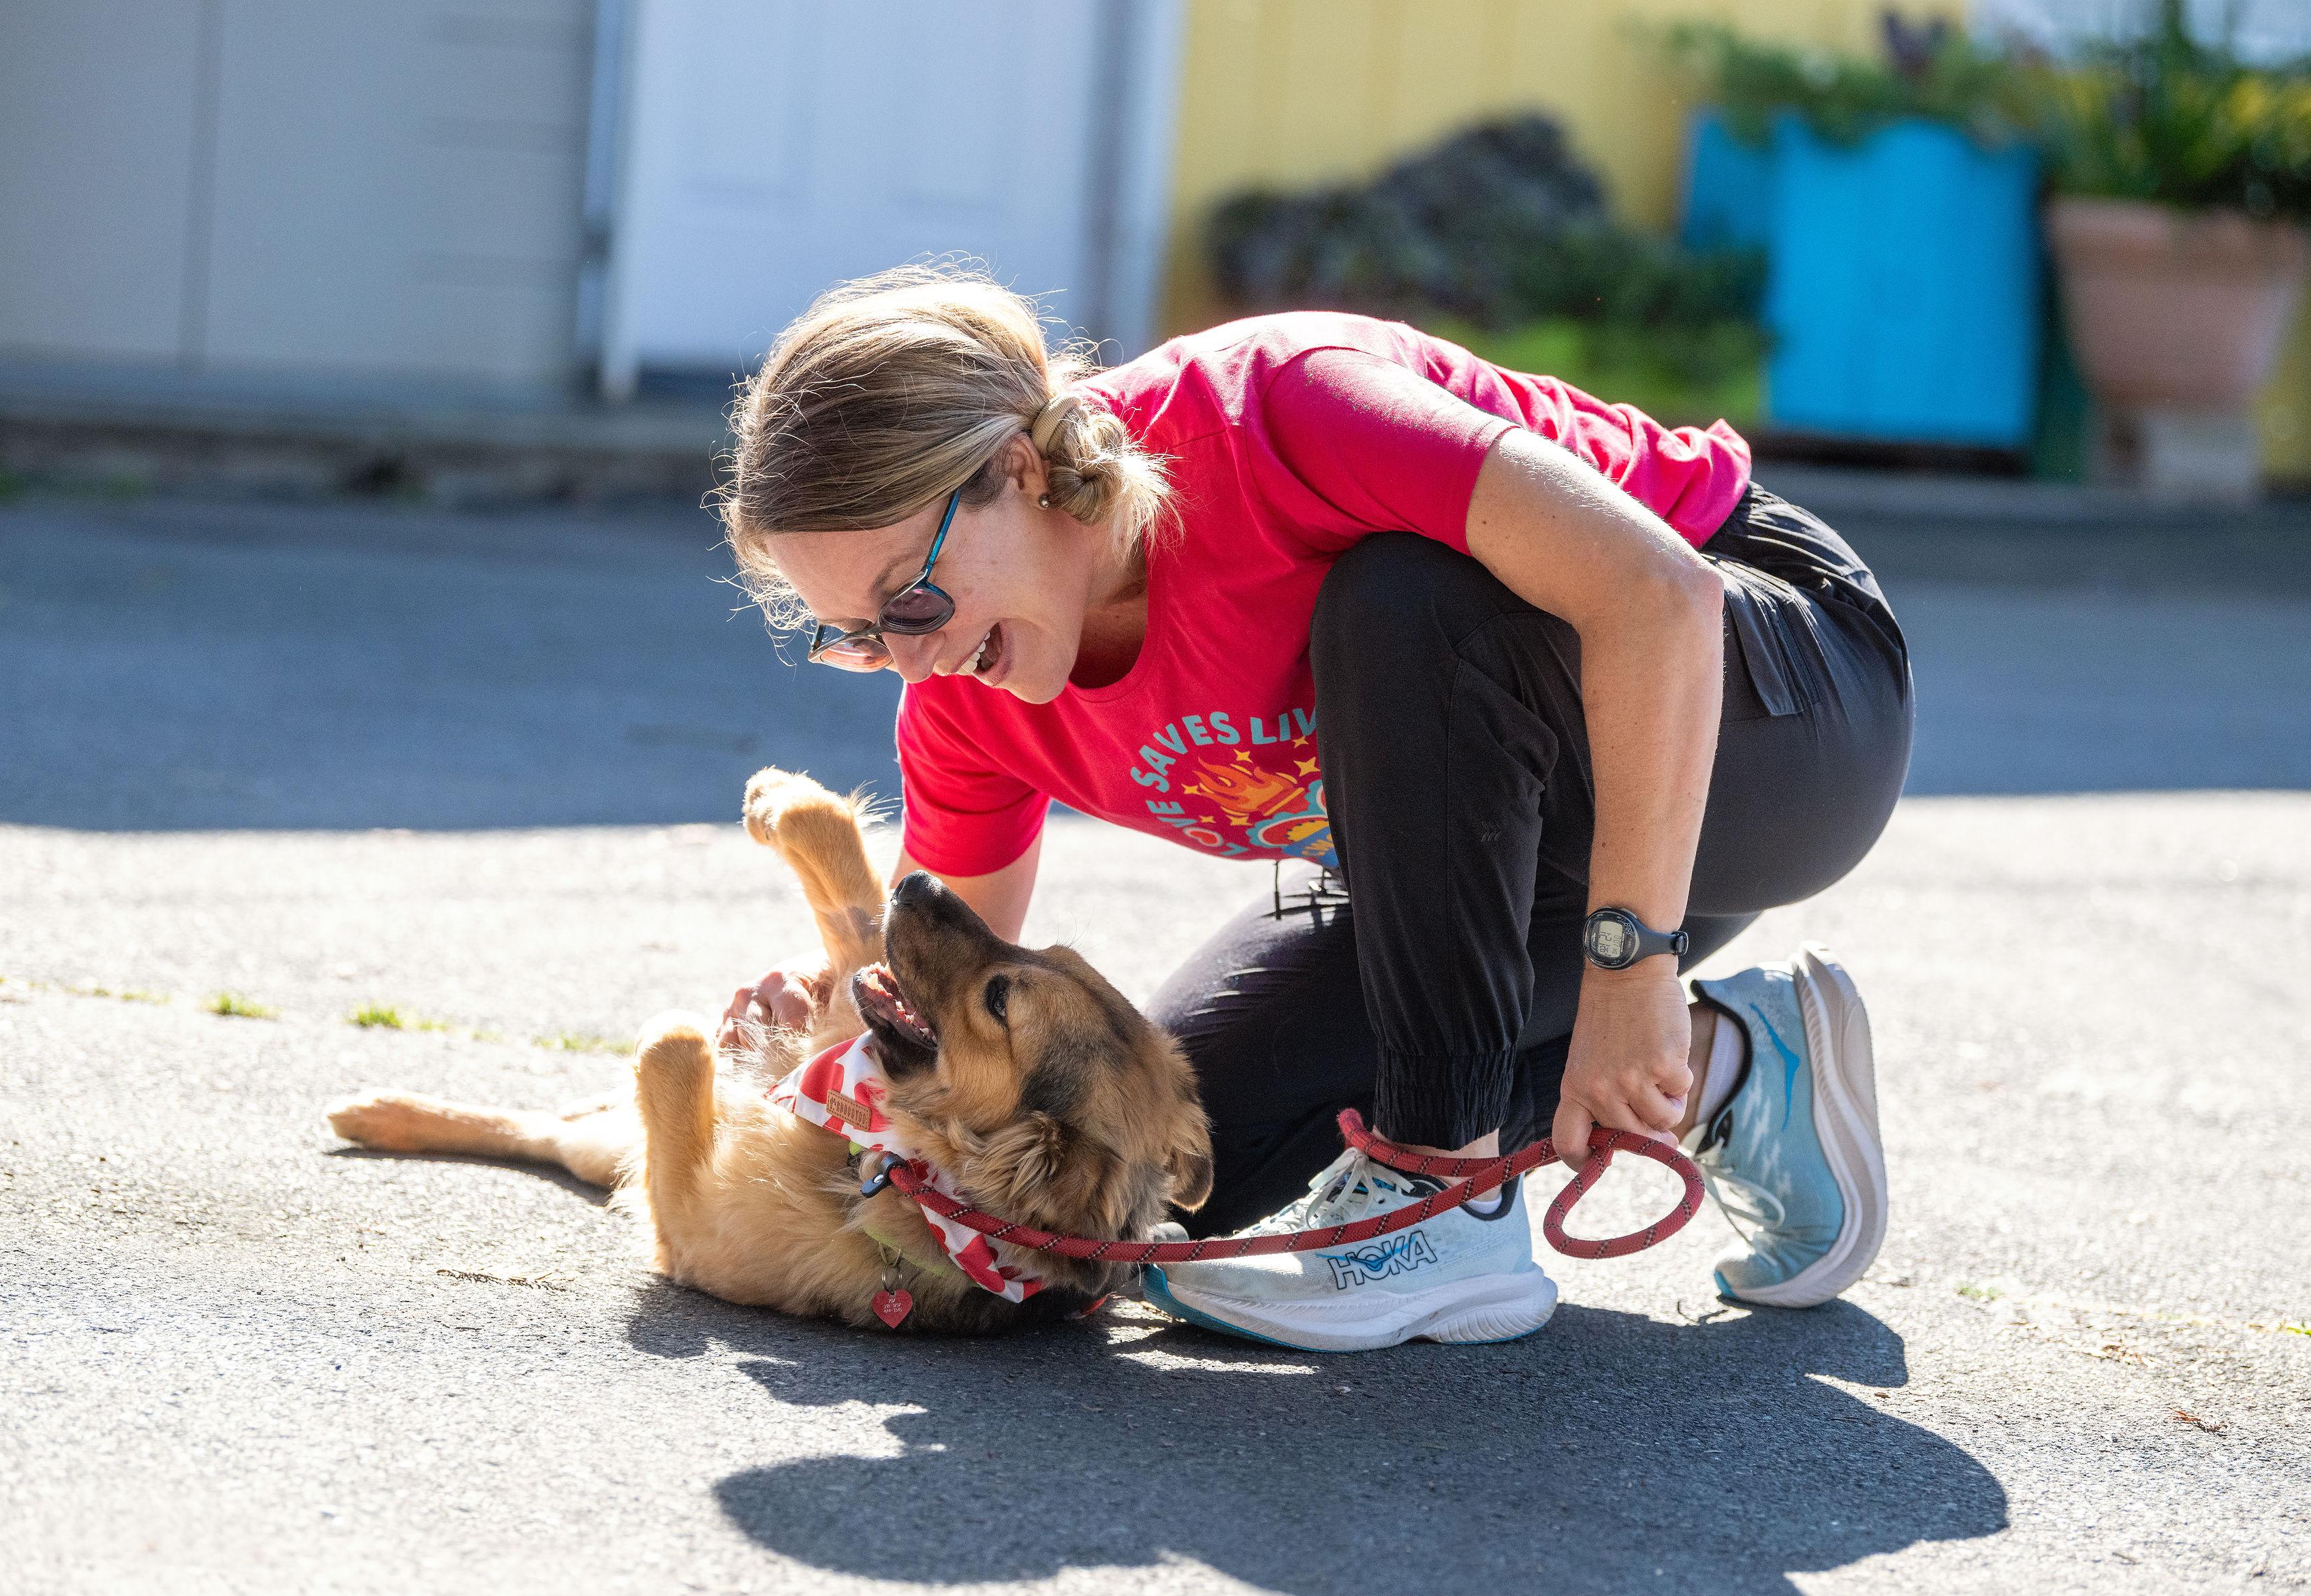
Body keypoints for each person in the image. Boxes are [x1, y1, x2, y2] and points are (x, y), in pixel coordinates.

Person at [716, 267, 1911, 1352]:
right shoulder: (967, 700)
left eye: (910, 603)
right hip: (1505, 857)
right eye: (859, 637)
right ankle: (1736, 1066)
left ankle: (1444, 1196)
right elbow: (953, 1009)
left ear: (1018, 474)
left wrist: (1629, 966)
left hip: (1779, 717)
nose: (912, 662)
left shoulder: (1276, 410)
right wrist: (821, 1027)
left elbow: (1660, 595)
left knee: (1402, 600)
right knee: (1135, 1160)